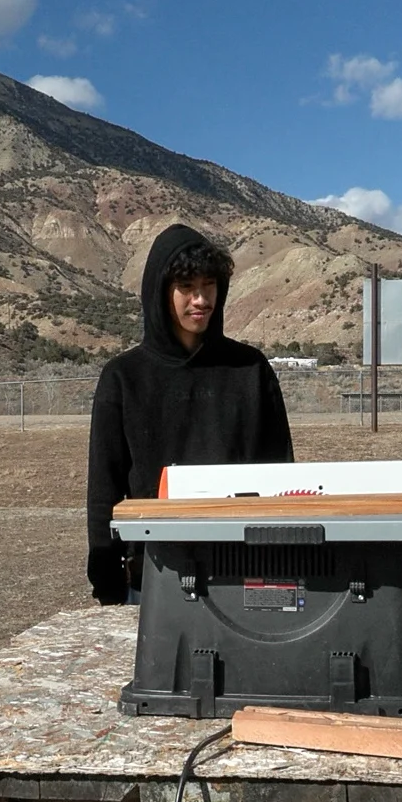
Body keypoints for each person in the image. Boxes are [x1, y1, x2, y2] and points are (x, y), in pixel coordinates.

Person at [86, 224, 293, 604]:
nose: (200, 299)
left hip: (245, 575)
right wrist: (106, 577)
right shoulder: (124, 377)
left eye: (209, 285)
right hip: (155, 579)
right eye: (186, 287)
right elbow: (105, 489)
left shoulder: (250, 369)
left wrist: (284, 565)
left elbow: (281, 472)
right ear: (160, 292)